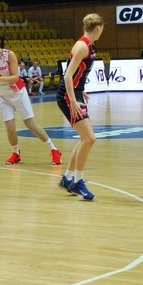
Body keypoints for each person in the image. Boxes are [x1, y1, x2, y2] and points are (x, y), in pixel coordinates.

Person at [0, 32, 62, 168]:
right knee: (10, 128)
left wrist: (0, 79)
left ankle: (54, 149)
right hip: (2, 95)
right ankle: (15, 153)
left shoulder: (9, 55)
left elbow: (15, 77)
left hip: (18, 93)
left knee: (30, 124)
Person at [56, 14, 105, 200]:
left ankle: (68, 178)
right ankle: (77, 182)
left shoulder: (89, 45)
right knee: (89, 138)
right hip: (68, 96)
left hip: (74, 93)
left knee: (85, 138)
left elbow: (77, 74)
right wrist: (72, 99)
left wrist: (80, 90)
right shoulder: (82, 46)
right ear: (98, 28)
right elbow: (67, 75)